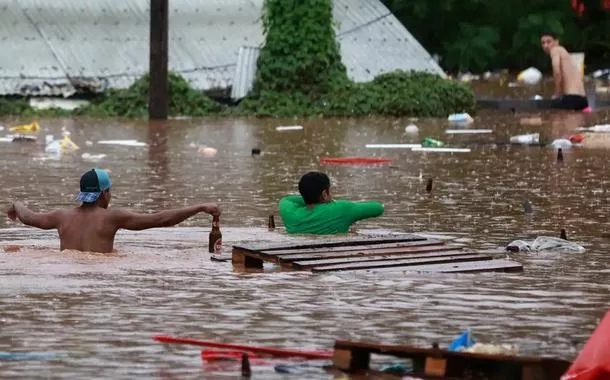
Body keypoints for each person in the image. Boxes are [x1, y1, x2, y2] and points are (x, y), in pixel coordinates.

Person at [6, 168, 220, 253]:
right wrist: (199, 207)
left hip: (65, 269)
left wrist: (16, 205)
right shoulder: (112, 217)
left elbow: (28, 217)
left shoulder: (62, 216)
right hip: (101, 273)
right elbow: (161, 219)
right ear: (104, 194)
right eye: (109, 191)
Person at [279, 171, 384, 234]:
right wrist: (331, 202)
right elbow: (379, 208)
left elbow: (286, 199)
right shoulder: (341, 209)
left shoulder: (291, 214)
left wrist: (308, 197)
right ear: (324, 194)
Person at [540, 31, 588, 111]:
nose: (546, 45)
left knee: (553, 117)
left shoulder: (555, 50)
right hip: (583, 99)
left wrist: (557, 94)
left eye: (549, 42)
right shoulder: (565, 54)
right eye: (543, 43)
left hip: (572, 98)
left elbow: (557, 72)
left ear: (556, 42)